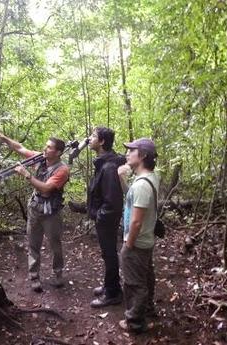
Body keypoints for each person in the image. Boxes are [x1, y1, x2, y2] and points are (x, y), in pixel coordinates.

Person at [0, 129, 70, 292]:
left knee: (55, 244)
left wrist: (27, 175)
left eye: (49, 147)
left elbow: (47, 189)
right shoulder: (40, 158)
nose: (45, 148)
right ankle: (34, 276)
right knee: (33, 243)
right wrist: (2, 137)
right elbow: (20, 148)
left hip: (51, 213)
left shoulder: (62, 170)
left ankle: (58, 273)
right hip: (35, 208)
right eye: (46, 146)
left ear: (58, 152)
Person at [117, 138, 159, 333]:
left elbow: (135, 221)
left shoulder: (142, 185)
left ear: (142, 156)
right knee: (146, 277)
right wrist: (122, 179)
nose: (127, 153)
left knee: (134, 284)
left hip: (137, 242)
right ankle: (148, 308)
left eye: (131, 150)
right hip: (146, 240)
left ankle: (134, 322)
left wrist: (128, 245)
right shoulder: (149, 177)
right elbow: (131, 199)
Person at [86, 127, 126, 308]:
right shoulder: (104, 163)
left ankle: (113, 293)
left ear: (102, 142)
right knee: (108, 254)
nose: (89, 139)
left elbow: (113, 202)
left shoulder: (109, 167)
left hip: (106, 220)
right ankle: (111, 286)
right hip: (104, 219)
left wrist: (99, 216)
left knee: (109, 254)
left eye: (93, 136)